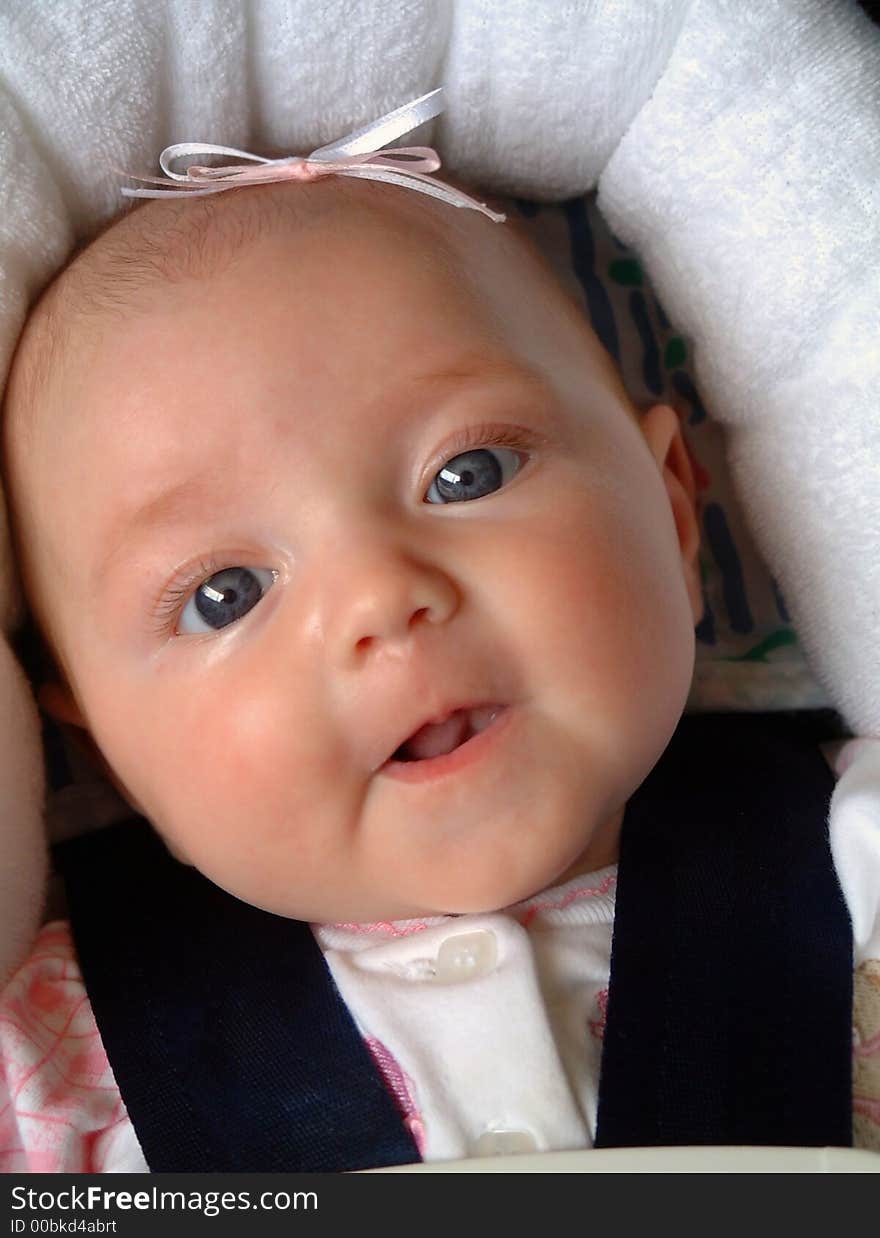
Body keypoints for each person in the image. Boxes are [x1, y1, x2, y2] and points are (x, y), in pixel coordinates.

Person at [0, 159, 876, 1172]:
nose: (379, 596)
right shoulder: (52, 1070)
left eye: (466, 474)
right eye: (224, 594)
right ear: (107, 752)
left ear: (673, 514)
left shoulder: (854, 860)